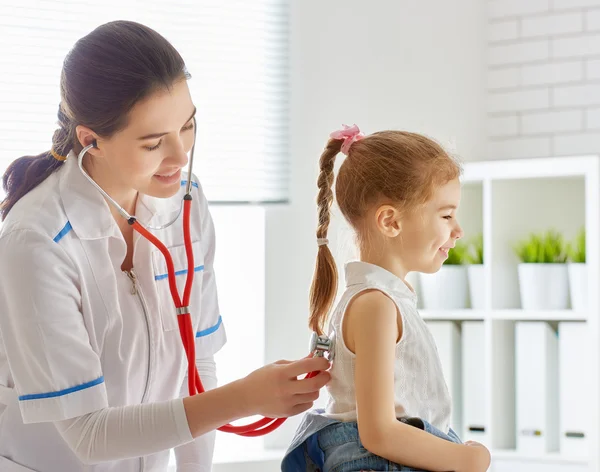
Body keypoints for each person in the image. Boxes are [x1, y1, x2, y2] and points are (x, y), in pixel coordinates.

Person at [0, 21, 330, 472]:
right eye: (154, 143)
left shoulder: (184, 201)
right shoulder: (35, 243)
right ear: (90, 139)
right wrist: (245, 398)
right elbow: (89, 436)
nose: (180, 157)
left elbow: (198, 368)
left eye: (188, 126)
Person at [281, 125, 491, 472]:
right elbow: (379, 433)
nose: (458, 230)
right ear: (390, 221)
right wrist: (465, 459)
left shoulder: (384, 301)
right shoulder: (375, 306)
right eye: (446, 214)